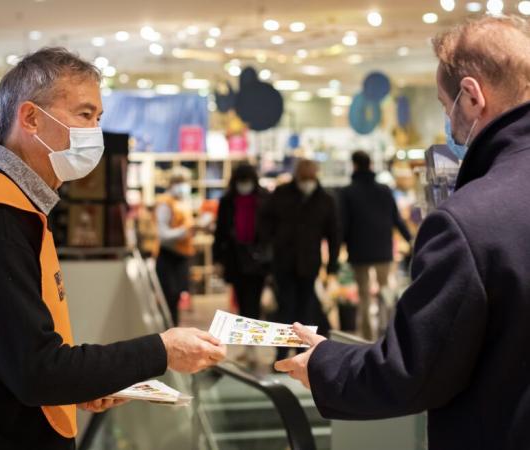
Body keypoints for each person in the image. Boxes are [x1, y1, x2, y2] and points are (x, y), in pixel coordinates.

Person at [0, 48, 226, 450]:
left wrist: (80, 383)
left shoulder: (13, 205)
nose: (94, 131)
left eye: (98, 118)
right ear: (30, 118)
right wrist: (162, 349)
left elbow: (10, 358)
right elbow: (37, 370)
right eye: (83, 114)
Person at [275, 16, 530, 450]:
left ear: (471, 96)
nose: (447, 119)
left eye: (443, 103)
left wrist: (324, 363)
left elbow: (413, 369)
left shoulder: (469, 220)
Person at [260, 159, 340, 362]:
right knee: (285, 309)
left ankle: (302, 355)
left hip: (309, 263)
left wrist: (332, 267)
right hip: (283, 262)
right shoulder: (281, 194)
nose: (307, 183)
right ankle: (281, 354)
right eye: (304, 178)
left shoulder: (325, 199)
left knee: (306, 309)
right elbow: (265, 223)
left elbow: (334, 236)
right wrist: (269, 250)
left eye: (310, 178)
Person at [340, 150, 412, 340]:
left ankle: (367, 338)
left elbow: (343, 223)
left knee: (364, 297)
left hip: (359, 251)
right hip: (382, 249)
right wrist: (411, 239)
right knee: (385, 293)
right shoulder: (384, 190)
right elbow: (396, 219)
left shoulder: (348, 192)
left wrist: (338, 247)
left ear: (354, 165)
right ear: (370, 164)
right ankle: (388, 334)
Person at [213, 164, 269, 321]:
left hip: (259, 256)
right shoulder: (227, 201)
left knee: (256, 294)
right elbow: (220, 231)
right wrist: (217, 258)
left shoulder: (264, 199)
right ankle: (245, 327)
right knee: (240, 294)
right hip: (235, 255)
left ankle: (254, 326)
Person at [155, 167, 195, 325]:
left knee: (177, 298)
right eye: (181, 183)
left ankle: (174, 329)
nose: (184, 186)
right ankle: (168, 334)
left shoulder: (182, 202)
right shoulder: (165, 203)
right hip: (168, 256)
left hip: (181, 256)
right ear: (173, 183)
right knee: (169, 298)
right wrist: (184, 232)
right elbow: (163, 234)